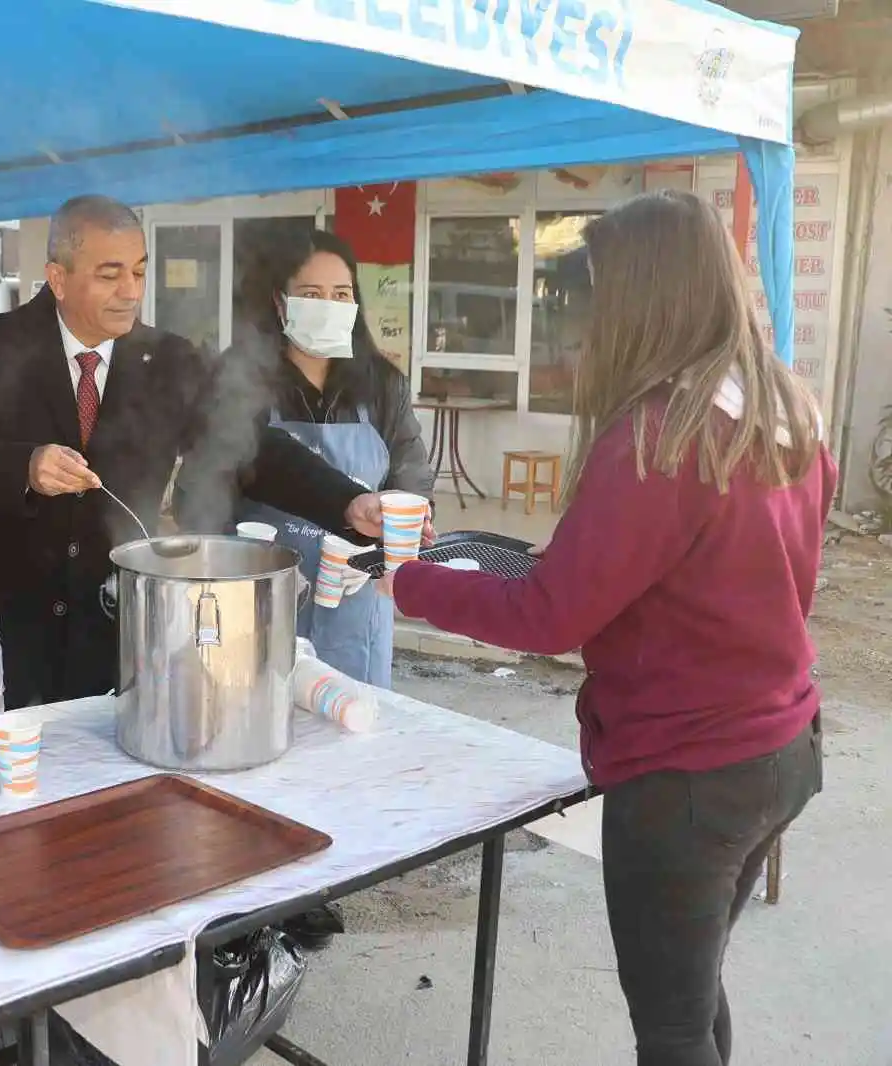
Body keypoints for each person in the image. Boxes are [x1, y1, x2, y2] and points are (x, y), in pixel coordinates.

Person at [380, 190, 832, 1066]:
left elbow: (549, 613)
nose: (579, 318)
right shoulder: (783, 412)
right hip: (784, 748)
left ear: (641, 300)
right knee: (693, 994)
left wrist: (410, 584)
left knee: (670, 1030)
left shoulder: (660, 436)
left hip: (689, 778)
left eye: (590, 294)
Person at [0, 195, 388, 709]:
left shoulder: (168, 361)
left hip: (114, 640)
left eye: (139, 272)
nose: (130, 291)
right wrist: (22, 466)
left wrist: (346, 503)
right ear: (58, 278)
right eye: (110, 275)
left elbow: (249, 445)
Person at [179, 229, 432, 688]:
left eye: (341, 294)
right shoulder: (239, 382)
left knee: (349, 727)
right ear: (280, 302)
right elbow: (197, 501)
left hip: (356, 607)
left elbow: (411, 480)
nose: (330, 306)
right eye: (312, 294)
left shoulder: (383, 386)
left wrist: (394, 539)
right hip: (259, 600)